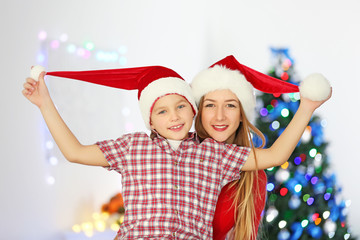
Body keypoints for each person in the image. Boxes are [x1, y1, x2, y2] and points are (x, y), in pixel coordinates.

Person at [23, 65, 254, 239]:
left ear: (193, 110)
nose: (173, 116)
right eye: (162, 111)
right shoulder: (132, 147)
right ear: (150, 122)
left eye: (181, 106)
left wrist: (293, 100)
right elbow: (75, 152)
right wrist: (45, 104)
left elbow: (275, 156)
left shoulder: (212, 154)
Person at [191, 55, 332, 239]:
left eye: (230, 105)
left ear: (242, 114)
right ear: (199, 112)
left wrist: (306, 108)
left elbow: (276, 155)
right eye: (210, 105)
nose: (220, 116)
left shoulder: (252, 179)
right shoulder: (181, 153)